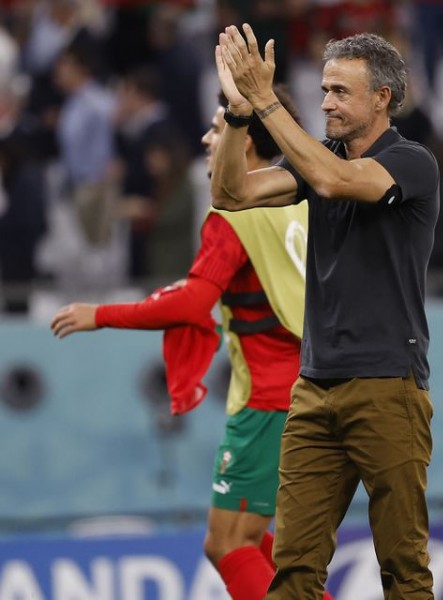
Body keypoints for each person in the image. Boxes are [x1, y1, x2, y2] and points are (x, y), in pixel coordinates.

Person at [49, 86, 333, 600]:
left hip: (267, 403)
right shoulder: (302, 204)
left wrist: (101, 314)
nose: (207, 138)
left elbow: (190, 304)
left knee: (226, 544)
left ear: (245, 142)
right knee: (259, 542)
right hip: (311, 391)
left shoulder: (232, 215)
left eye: (218, 128)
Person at [214, 25, 439, 599]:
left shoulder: (412, 163)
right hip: (313, 389)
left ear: (382, 98)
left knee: (402, 568)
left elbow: (334, 180)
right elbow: (230, 195)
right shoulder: (321, 159)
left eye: (341, 91)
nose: (326, 103)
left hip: (388, 383)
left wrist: (267, 101)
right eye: (324, 90)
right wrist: (240, 117)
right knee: (292, 570)